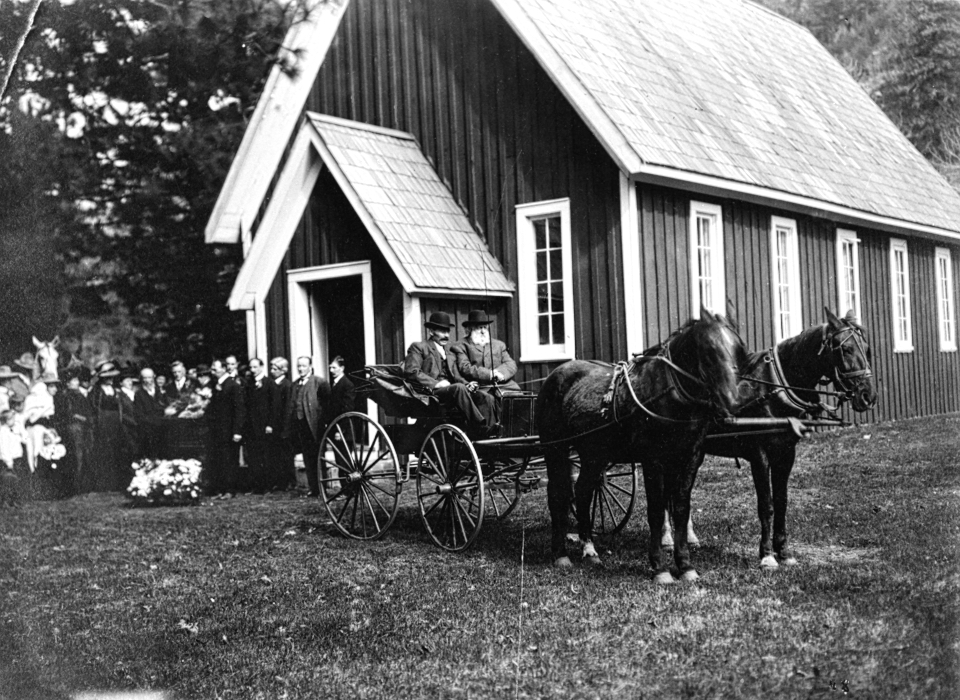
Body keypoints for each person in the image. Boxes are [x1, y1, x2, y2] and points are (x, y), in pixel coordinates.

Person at [403, 311, 497, 435]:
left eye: (447, 331)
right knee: (459, 388)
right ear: (431, 331)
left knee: (485, 396)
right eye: (442, 331)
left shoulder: (449, 350)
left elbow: (455, 374)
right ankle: (479, 426)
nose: (446, 335)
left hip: (453, 391)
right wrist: (436, 384)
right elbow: (412, 371)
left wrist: (467, 384)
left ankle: (491, 432)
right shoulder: (419, 347)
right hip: (430, 393)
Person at [285, 356, 331, 497]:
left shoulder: (319, 382)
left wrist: (324, 423)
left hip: (315, 427)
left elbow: (327, 405)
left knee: (318, 457)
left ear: (310, 367)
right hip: (301, 427)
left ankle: (322, 488)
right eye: (298, 366)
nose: (300, 369)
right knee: (307, 458)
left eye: (304, 366)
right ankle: (313, 488)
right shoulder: (295, 384)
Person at [205, 359, 245, 498]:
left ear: (223, 369)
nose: (212, 372)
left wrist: (237, 431)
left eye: (215, 369)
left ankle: (230, 490)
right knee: (220, 460)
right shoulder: (215, 385)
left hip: (229, 431)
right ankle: (220, 489)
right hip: (218, 431)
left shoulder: (233, 385)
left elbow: (239, 410)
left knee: (230, 460)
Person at [243, 358, 277, 493]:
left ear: (262, 367)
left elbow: (274, 406)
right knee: (253, 456)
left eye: (255, 367)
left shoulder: (270, 383)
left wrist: (270, 424)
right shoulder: (249, 384)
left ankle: (266, 486)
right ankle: (255, 485)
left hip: (264, 426)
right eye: (251, 367)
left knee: (265, 456)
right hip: (251, 427)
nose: (253, 370)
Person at [89, 361, 125, 491]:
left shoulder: (116, 391)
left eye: (112, 377)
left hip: (115, 424)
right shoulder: (96, 391)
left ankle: (116, 484)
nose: (110, 379)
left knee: (116, 451)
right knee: (104, 452)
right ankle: (103, 484)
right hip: (102, 425)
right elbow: (93, 408)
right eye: (108, 377)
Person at [58, 369, 93, 495]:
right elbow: (70, 414)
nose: (77, 382)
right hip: (74, 428)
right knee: (76, 455)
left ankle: (83, 485)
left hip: (83, 427)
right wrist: (83, 418)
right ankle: (75, 486)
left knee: (84, 453)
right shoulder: (66, 396)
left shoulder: (79, 394)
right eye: (73, 380)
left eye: (77, 380)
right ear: (67, 383)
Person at [268, 357, 295, 491]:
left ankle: (290, 481)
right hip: (274, 426)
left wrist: (286, 428)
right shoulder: (272, 384)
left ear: (283, 370)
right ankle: (279, 481)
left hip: (284, 426)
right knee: (276, 455)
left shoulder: (287, 385)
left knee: (286, 455)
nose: (272, 371)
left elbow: (288, 408)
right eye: (271, 368)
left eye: (275, 369)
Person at [135, 367, 167, 458]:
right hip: (148, 431)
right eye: (145, 378)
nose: (147, 380)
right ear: (141, 379)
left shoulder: (160, 391)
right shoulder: (139, 394)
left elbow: (166, 406)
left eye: (149, 377)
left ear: (154, 377)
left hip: (163, 428)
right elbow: (140, 415)